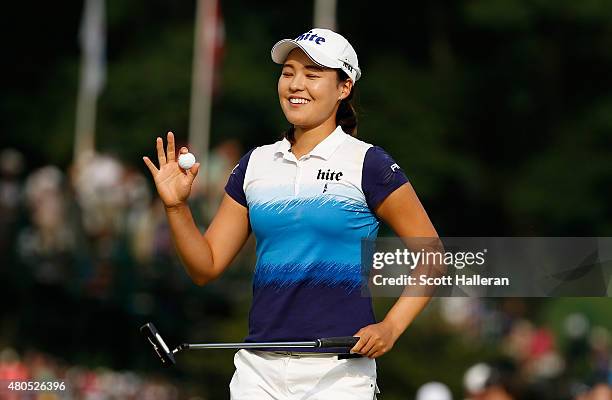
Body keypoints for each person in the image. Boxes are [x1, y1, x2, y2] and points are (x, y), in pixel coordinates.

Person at [143, 28, 438, 400]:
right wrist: (176, 206)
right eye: (288, 73)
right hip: (258, 370)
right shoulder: (255, 164)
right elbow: (206, 266)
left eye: (312, 75)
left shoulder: (369, 163)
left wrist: (391, 327)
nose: (296, 84)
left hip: (338, 372)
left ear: (344, 87)